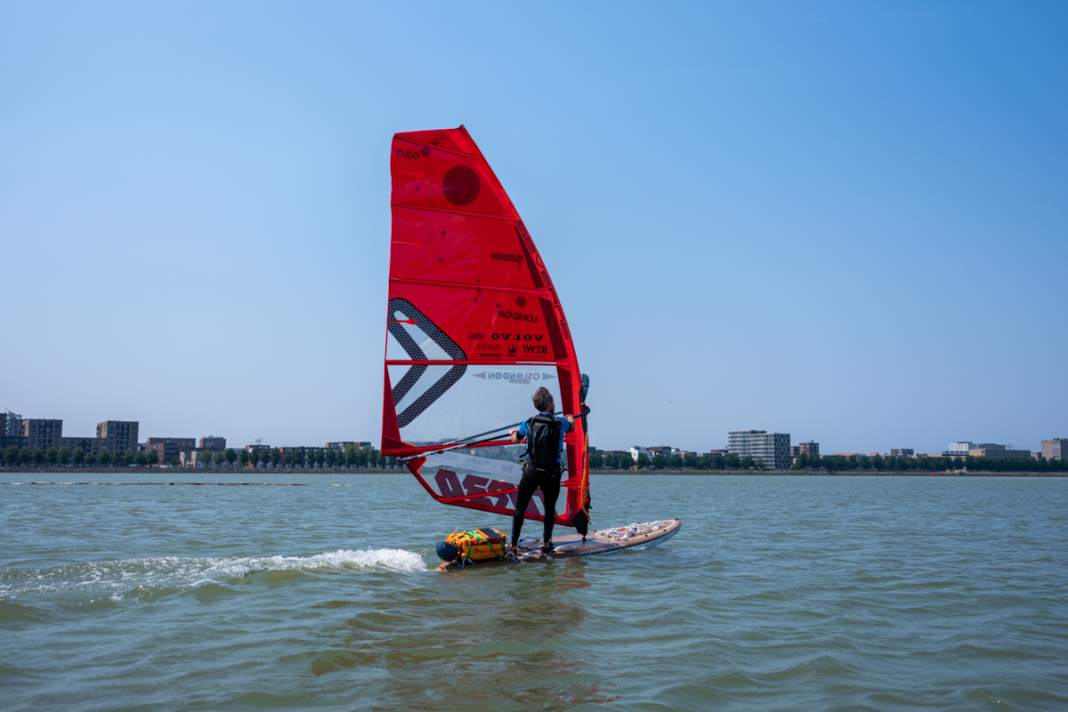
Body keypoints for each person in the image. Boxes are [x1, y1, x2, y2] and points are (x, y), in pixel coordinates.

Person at [509, 386, 573, 554]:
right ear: (550, 404)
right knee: (549, 508)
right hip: (552, 472)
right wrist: (570, 417)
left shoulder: (529, 422)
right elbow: (571, 426)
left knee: (520, 508)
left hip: (531, 471)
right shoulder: (560, 423)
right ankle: (546, 544)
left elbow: (516, 439)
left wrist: (512, 432)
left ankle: (513, 545)